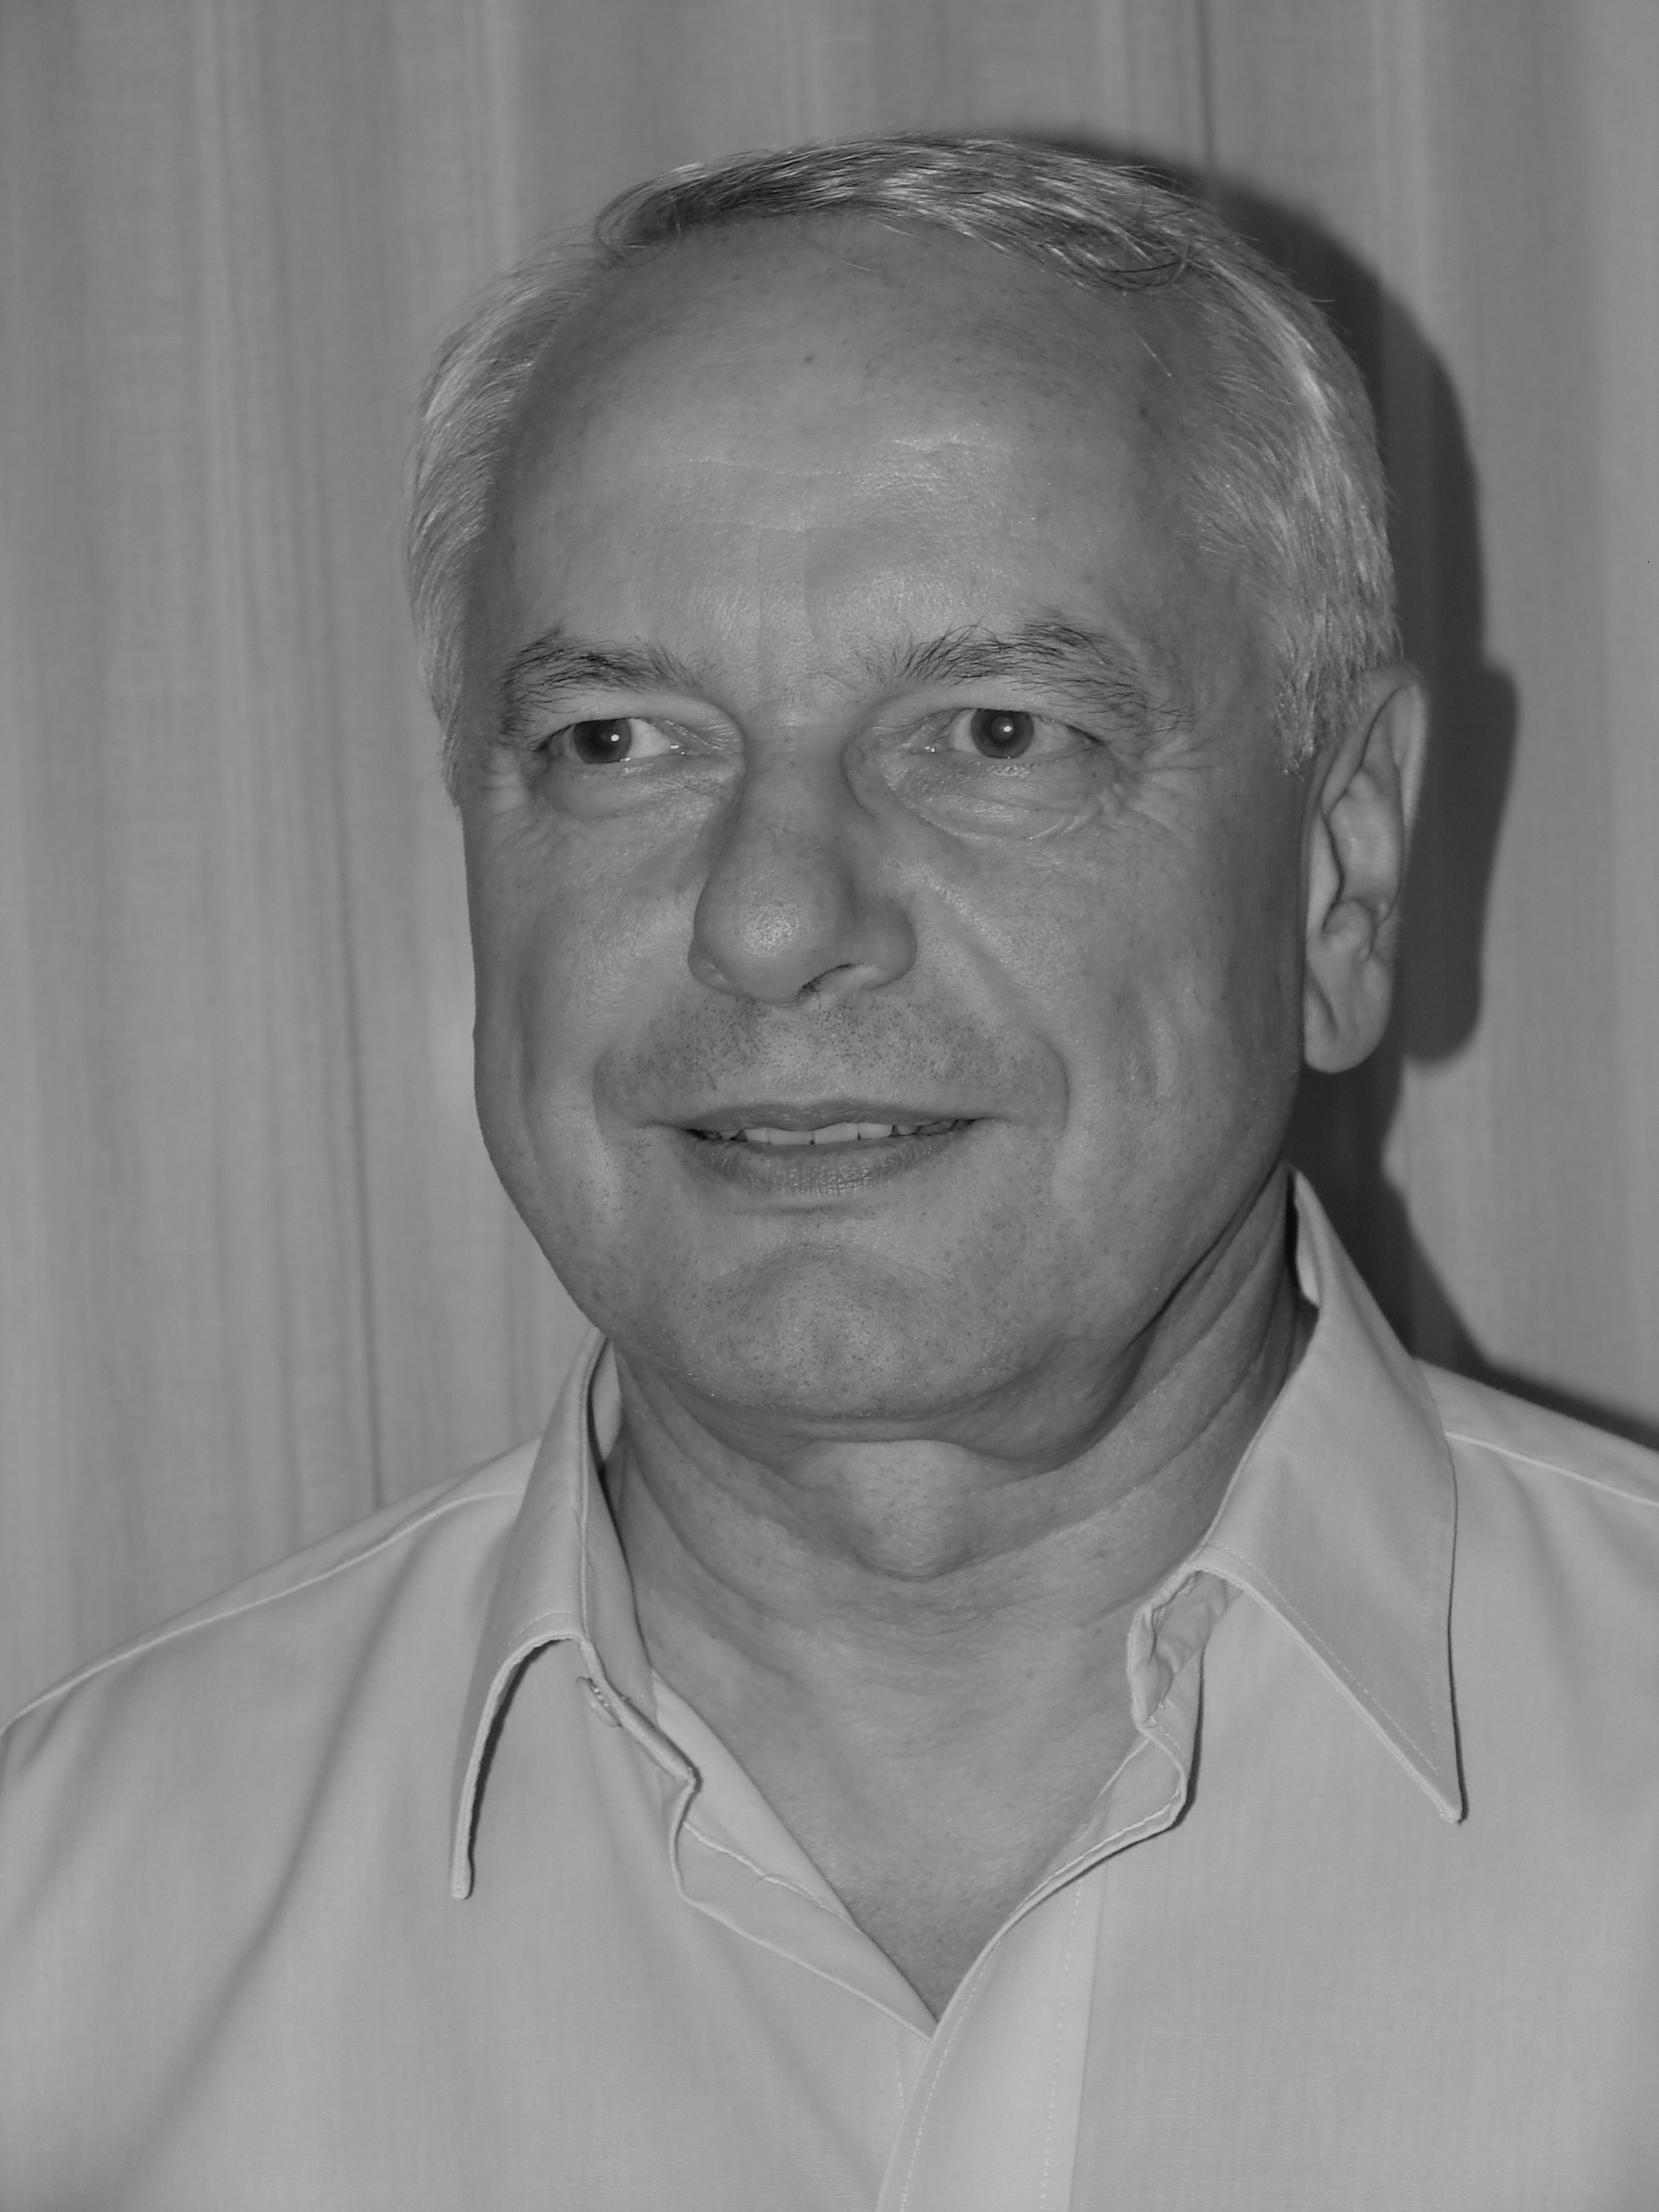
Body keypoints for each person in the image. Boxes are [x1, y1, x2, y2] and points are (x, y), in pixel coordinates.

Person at [2, 135, 1655, 2210]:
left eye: (995, 732)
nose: (773, 920)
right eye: (616, 740)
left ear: (1340, 872)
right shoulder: (64, 1936)